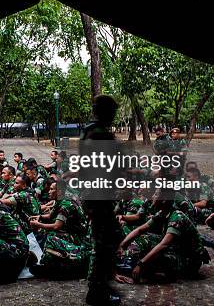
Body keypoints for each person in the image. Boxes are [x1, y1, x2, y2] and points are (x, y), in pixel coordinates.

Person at [79, 95, 123, 305]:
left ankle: (99, 287)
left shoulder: (89, 130)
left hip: (93, 196)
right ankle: (97, 291)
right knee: (107, 240)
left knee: (107, 238)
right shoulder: (99, 134)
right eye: (112, 111)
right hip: (99, 197)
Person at [117, 188, 210, 283]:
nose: (153, 196)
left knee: (154, 259)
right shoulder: (163, 213)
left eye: (156, 195)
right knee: (144, 238)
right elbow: (140, 230)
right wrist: (122, 245)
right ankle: (130, 262)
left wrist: (141, 264)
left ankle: (137, 267)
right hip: (176, 249)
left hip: (189, 260)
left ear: (164, 199)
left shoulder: (177, 216)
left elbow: (164, 244)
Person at [29, 180, 91, 279]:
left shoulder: (66, 204)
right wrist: (39, 217)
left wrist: (38, 224)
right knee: (49, 235)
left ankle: (48, 265)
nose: (48, 191)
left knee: (51, 237)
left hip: (77, 238)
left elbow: (56, 226)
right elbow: (50, 215)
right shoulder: (60, 200)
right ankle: (50, 265)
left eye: (51, 189)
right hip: (70, 233)